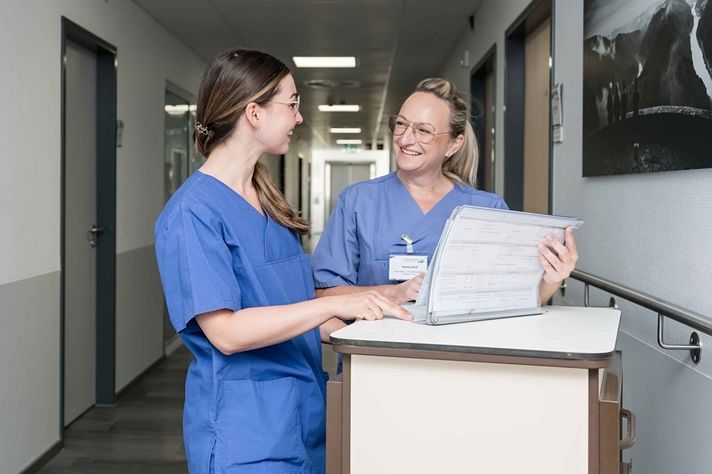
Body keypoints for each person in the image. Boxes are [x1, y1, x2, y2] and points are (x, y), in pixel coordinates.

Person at [154, 49, 410, 474]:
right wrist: (331, 305)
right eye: (291, 104)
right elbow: (227, 333)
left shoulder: (267, 201)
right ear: (254, 113)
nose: (299, 117)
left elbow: (292, 306)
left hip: (303, 413)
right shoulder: (193, 213)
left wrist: (381, 320)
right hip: (246, 430)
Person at [312, 77, 578, 310]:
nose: (405, 139)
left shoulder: (487, 210)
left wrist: (552, 279)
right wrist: (396, 292)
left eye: (423, 130)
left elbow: (512, 297)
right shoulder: (359, 202)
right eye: (401, 124)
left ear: (454, 144)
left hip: (460, 358)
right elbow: (325, 294)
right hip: (377, 357)